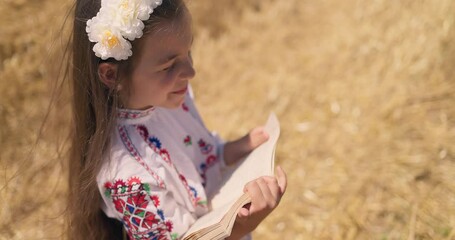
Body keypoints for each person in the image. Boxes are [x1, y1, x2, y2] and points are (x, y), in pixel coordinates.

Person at [68, 0, 287, 239]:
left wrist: (237, 148)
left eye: (189, 53)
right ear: (112, 74)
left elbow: (199, 159)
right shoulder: (127, 179)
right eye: (169, 66)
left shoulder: (167, 101)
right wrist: (243, 226)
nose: (191, 72)